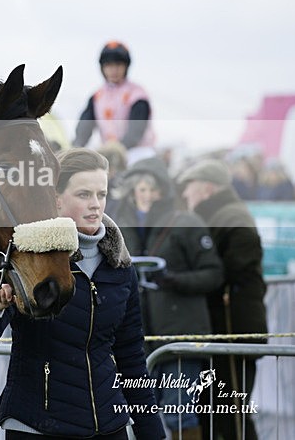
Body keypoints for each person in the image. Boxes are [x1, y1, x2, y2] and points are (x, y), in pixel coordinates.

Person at [0, 148, 165, 439]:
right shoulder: (28, 256)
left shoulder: (121, 267)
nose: (96, 205)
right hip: (36, 424)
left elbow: (131, 357)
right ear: (55, 199)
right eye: (84, 195)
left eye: (101, 194)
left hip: (109, 424)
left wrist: (152, 433)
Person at [113, 157, 223, 439]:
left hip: (180, 336)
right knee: (143, 415)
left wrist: (175, 280)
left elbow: (214, 274)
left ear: (163, 191)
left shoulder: (186, 222)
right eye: (140, 189)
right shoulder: (118, 226)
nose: (146, 195)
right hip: (139, 339)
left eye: (152, 189)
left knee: (179, 412)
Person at [177, 159, 267, 440]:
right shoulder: (221, 215)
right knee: (218, 411)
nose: (186, 195)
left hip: (234, 329)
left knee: (230, 413)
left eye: (189, 187)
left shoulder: (231, 217)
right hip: (226, 329)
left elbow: (240, 266)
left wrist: (208, 277)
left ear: (207, 188)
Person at [73, 41, 155, 165]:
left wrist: (117, 149)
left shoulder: (137, 94)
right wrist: (76, 147)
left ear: (126, 66)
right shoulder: (97, 97)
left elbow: (136, 131)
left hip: (137, 153)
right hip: (108, 156)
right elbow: (85, 128)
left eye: (118, 65)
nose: (113, 70)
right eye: (109, 65)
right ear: (102, 68)